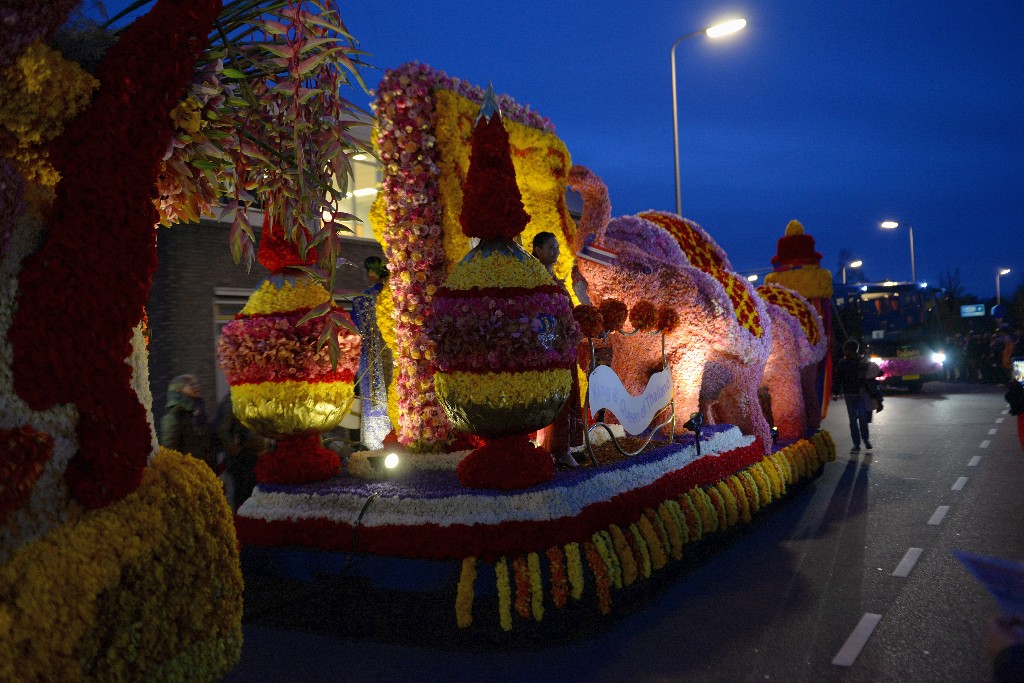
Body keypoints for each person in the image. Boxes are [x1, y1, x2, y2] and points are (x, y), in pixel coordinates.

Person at [532, 231, 586, 468]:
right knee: (553, 400)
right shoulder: (533, 281)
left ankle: (562, 449)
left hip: (565, 349)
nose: (556, 251)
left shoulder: (556, 280)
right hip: (547, 350)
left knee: (568, 397)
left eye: (557, 247)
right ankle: (551, 450)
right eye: (551, 247)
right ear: (538, 250)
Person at [351, 256, 393, 451]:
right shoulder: (395, 296)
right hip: (395, 358)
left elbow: (354, 331)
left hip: (370, 360)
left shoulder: (362, 300)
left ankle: (375, 443)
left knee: (373, 400)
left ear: (370, 273)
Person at [213, 393, 271, 511]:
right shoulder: (232, 400)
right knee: (244, 497)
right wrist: (236, 451)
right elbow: (223, 430)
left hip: (259, 455)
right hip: (243, 457)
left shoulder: (256, 397)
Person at [160, 374, 216, 469]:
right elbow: (169, 450)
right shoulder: (174, 416)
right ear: (180, 389)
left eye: (196, 383)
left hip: (205, 469)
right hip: (188, 471)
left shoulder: (198, 411)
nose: (196, 386)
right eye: (191, 384)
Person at [834, 339, 873, 454]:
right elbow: (838, 379)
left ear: (852, 350)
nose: (845, 353)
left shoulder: (862, 362)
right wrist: (836, 392)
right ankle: (856, 444)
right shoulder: (843, 363)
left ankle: (865, 440)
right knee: (852, 419)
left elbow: (871, 376)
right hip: (849, 395)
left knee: (862, 418)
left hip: (861, 394)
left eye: (846, 350)